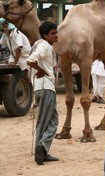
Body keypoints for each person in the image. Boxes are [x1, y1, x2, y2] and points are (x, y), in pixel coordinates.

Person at [26, 21, 59, 165]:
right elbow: (30, 60)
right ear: (46, 35)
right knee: (52, 120)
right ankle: (42, 145)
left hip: (40, 88)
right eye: (53, 33)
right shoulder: (45, 46)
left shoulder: (40, 44)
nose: (56, 35)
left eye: (56, 32)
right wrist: (41, 70)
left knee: (45, 120)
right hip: (46, 87)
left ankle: (42, 151)